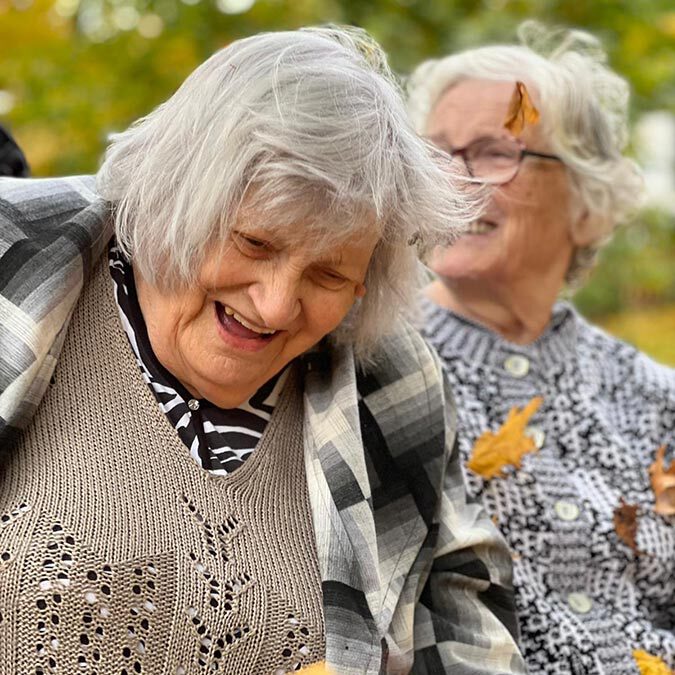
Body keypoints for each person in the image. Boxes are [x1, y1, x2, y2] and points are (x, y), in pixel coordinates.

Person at [0, 27, 526, 675]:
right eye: (253, 243)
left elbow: (463, 620)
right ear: (171, 198)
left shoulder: (387, 384)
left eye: (328, 275)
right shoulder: (16, 256)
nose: (276, 304)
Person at [408, 21, 675, 675]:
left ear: (586, 200)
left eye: (497, 151)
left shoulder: (655, 396)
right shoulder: (371, 366)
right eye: (435, 155)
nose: (456, 180)